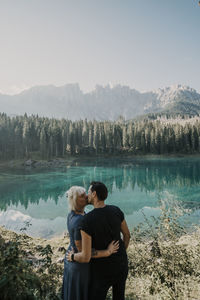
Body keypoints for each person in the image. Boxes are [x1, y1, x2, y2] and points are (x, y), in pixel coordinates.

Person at [67, 181, 130, 300]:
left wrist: (73, 257)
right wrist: (121, 252)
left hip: (102, 271)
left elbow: (85, 256)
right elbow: (127, 235)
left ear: (94, 194)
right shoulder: (116, 210)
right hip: (121, 265)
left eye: (89, 192)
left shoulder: (87, 220)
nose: (87, 196)